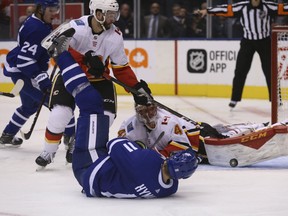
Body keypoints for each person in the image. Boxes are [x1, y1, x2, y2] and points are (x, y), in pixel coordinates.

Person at [42, 28, 198, 198]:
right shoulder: (170, 188)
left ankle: (59, 53)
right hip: (99, 180)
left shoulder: (150, 161)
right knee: (96, 109)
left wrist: (140, 148)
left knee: (90, 101)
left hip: (89, 166)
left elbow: (115, 145)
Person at [35, 0, 153, 167]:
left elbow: (121, 68)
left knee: (105, 119)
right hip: (72, 76)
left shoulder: (115, 36)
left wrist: (136, 87)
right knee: (59, 115)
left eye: (114, 14)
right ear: (98, 13)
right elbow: (53, 46)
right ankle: (49, 150)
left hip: (99, 81)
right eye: (109, 14)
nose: (113, 18)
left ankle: (79, 140)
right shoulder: (75, 27)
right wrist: (85, 59)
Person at [118, 101, 288, 167]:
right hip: (198, 136)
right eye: (143, 111)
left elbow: (182, 149)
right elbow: (120, 146)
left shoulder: (167, 122)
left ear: (156, 108)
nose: (148, 115)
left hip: (201, 139)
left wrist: (149, 155)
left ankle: (273, 126)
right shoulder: (130, 126)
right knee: (227, 131)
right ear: (137, 112)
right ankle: (257, 125)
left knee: (231, 139)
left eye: (151, 110)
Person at [195, 0, 288, 109]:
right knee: (240, 70)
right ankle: (234, 98)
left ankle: (276, 99)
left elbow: (283, 8)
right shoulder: (242, 7)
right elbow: (226, 9)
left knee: (270, 71)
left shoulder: (268, 6)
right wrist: (207, 10)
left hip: (265, 42)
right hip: (248, 42)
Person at [0, 0, 61, 147]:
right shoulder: (36, 28)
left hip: (23, 70)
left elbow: (38, 50)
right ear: (41, 9)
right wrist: (41, 79)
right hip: (24, 72)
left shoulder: (41, 22)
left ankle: (7, 135)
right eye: (51, 9)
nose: (55, 13)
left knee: (29, 106)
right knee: (57, 103)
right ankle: (72, 138)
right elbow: (25, 60)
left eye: (56, 9)